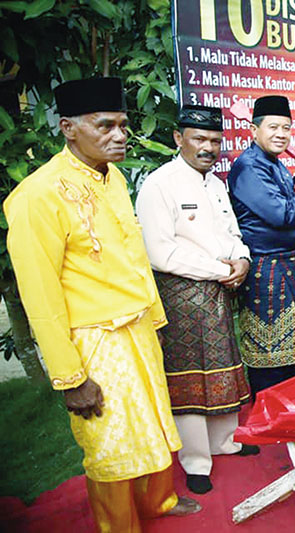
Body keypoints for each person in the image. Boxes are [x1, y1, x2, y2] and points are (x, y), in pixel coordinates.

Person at [4, 77, 199, 531]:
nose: (119, 135)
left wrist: (154, 320)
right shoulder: (38, 195)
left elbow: (128, 255)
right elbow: (40, 294)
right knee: (110, 442)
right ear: (68, 128)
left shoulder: (109, 177)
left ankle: (158, 502)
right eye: (105, 125)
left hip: (137, 330)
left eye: (124, 125)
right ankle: (120, 526)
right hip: (93, 339)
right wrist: (71, 377)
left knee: (151, 423)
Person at [136, 105, 258, 495]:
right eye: (199, 139)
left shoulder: (216, 184)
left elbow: (232, 233)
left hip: (219, 294)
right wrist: (223, 270)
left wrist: (243, 257)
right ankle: (196, 461)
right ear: (178, 139)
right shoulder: (160, 185)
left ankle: (224, 442)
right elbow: (160, 253)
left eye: (215, 141)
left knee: (222, 368)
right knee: (190, 379)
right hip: (181, 297)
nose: (208, 148)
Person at [227, 95, 295, 394]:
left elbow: (287, 202)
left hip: (287, 269)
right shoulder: (249, 167)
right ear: (254, 131)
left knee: (290, 361)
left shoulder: (276, 164)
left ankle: (289, 425)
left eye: (286, 127)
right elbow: (280, 214)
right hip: (266, 273)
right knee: (269, 361)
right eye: (273, 127)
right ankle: (268, 428)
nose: (281, 134)